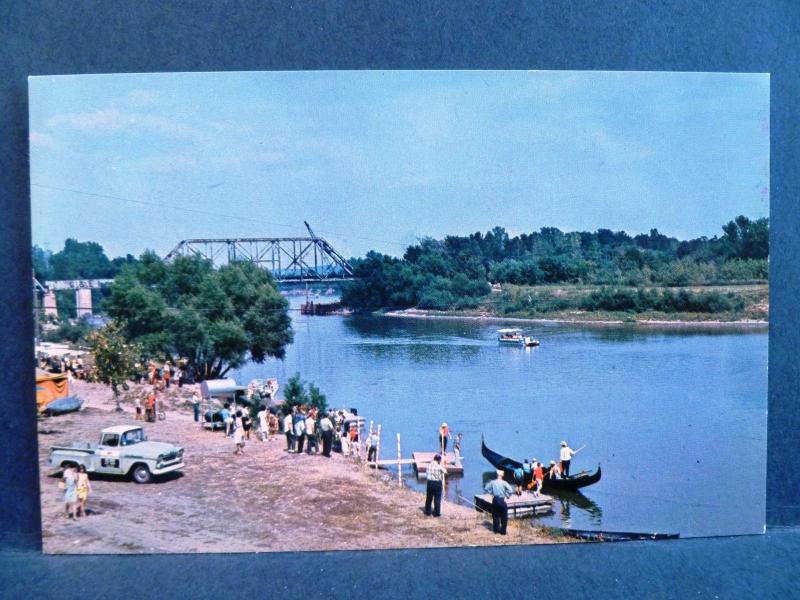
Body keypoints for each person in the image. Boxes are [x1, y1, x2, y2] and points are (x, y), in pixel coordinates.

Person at [484, 469, 513, 535]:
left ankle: (496, 530)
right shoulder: (504, 482)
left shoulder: (492, 482)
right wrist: (507, 496)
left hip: (495, 499)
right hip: (502, 500)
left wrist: (491, 493)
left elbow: (486, 488)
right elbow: (510, 490)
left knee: (495, 516)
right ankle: (503, 531)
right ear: (502, 476)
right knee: (504, 516)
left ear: (497, 475)